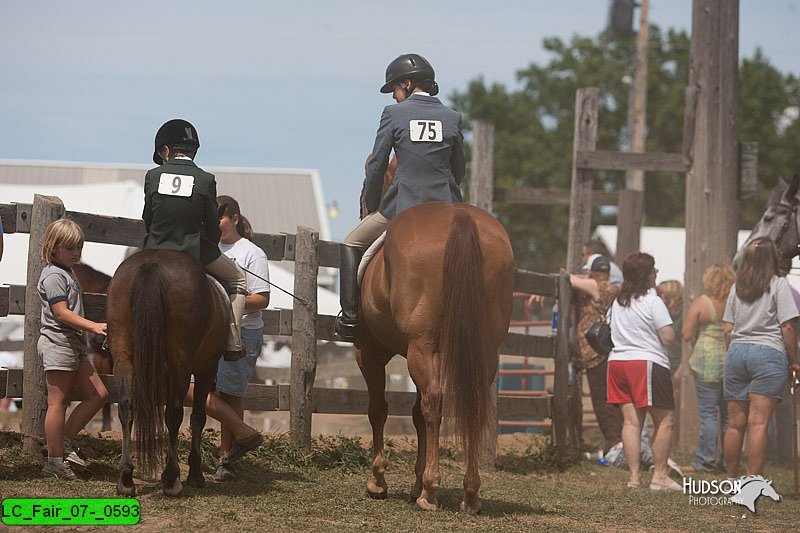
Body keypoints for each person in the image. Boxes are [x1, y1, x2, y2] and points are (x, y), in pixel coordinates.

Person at [334, 53, 465, 341]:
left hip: (403, 204)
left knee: (350, 242)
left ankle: (350, 318)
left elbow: (378, 165)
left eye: (394, 88)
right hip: (446, 204)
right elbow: (458, 170)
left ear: (407, 84)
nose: (394, 96)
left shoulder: (394, 114)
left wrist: (372, 205)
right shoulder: (452, 117)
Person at [142, 119, 248, 360]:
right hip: (192, 250)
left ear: (166, 150)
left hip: (154, 248)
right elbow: (213, 230)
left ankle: (111, 333)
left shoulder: (153, 176)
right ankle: (233, 343)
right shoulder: (206, 180)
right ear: (194, 150)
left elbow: (148, 218)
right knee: (238, 280)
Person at [722, 238, 800, 478]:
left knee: (735, 424)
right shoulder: (778, 285)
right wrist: (794, 360)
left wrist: (733, 351)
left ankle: (732, 478)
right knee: (758, 423)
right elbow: (787, 327)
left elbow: (727, 328)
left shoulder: (737, 287)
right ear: (773, 258)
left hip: (736, 351)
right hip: (768, 352)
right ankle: (754, 481)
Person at [38, 219, 109, 479]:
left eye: (78, 247)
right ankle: (54, 463)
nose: (76, 253)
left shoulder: (66, 272)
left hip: (73, 345)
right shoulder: (56, 275)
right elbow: (61, 313)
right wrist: (93, 326)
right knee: (58, 402)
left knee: (98, 394)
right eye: (69, 248)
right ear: (54, 247)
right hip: (59, 342)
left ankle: (61, 442)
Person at [606, 252, 678, 490]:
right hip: (646, 363)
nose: (656, 273)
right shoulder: (652, 300)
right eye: (653, 270)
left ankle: (634, 477)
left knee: (631, 422)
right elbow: (667, 336)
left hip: (617, 363)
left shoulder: (617, 301)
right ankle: (659, 476)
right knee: (664, 420)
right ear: (646, 275)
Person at [211, 195, 270, 481]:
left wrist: (228, 301)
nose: (216, 224)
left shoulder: (251, 253)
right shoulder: (207, 250)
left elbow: (262, 299)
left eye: (220, 218)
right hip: (211, 329)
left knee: (230, 393)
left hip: (243, 329)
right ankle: (243, 436)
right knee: (198, 389)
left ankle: (226, 458)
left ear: (234, 219)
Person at [678, 264, 734, 473]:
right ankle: (730, 461)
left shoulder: (702, 303)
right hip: (730, 362)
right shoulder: (733, 303)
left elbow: (686, 334)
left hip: (705, 363)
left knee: (709, 414)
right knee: (729, 417)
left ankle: (705, 460)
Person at [570, 255, 622, 455]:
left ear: (591, 271)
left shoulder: (599, 287)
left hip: (596, 354)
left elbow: (570, 280)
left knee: (603, 402)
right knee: (607, 400)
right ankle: (615, 444)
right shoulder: (609, 287)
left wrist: (575, 276)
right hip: (600, 353)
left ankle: (615, 444)